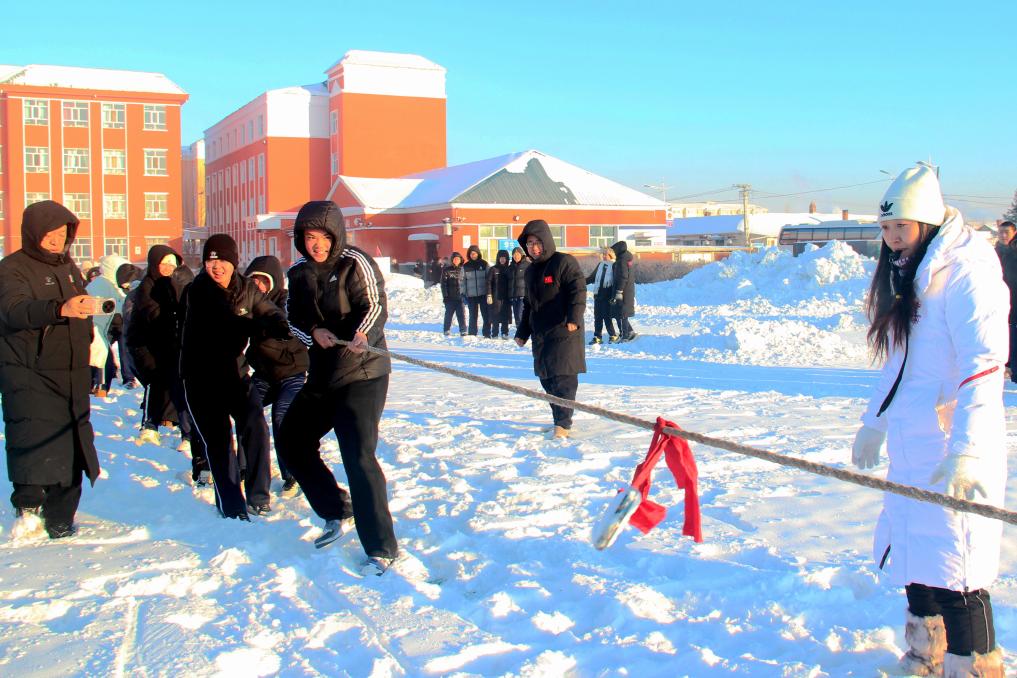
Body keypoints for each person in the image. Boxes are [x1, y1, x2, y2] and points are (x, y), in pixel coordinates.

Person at [851, 163, 1007, 675]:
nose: (893, 238)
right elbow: (898, 361)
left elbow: (984, 366)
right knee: (915, 556)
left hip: (949, 444)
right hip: (911, 441)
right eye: (886, 228)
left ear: (928, 222)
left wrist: (968, 450)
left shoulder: (967, 270)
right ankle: (925, 654)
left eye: (902, 227)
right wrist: (874, 422)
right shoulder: (911, 274)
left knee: (958, 566)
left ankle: (974, 667)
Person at [279, 200, 399, 576]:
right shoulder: (298, 273)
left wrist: (363, 333)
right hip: (323, 375)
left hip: (363, 373)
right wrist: (314, 332)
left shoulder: (354, 262)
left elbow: (375, 303)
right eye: (309, 237)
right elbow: (293, 318)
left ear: (336, 235)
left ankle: (380, 547)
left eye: (323, 236)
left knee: (357, 453)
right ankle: (336, 507)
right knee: (292, 440)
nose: (316, 244)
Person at [0, 200, 101, 538]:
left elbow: (79, 308)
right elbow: (14, 309)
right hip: (30, 371)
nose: (58, 240)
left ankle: (61, 518)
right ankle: (28, 511)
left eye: (63, 233)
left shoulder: (69, 268)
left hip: (71, 371)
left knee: (72, 444)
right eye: (50, 234)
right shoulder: (12, 268)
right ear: (33, 233)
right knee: (33, 439)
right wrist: (59, 308)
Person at [181, 234, 289, 519]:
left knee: (255, 426)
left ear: (233, 262)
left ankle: (258, 496)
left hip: (234, 374)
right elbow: (224, 324)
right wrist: (259, 326)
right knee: (219, 442)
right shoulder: (197, 291)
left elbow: (268, 309)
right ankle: (232, 506)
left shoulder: (246, 288)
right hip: (201, 378)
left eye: (222, 261)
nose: (216, 267)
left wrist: (278, 322)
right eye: (210, 261)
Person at [514, 219, 586, 439]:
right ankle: (558, 420)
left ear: (546, 241)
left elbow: (578, 290)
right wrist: (522, 332)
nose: (534, 248)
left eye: (537, 242)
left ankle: (563, 424)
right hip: (542, 334)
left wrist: (574, 317)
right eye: (529, 243)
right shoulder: (530, 271)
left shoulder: (564, 262)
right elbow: (528, 304)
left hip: (564, 331)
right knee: (547, 379)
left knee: (563, 379)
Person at [243, 255, 309, 495]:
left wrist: (268, 323)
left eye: (263, 281)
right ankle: (244, 468)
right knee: (246, 411)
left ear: (273, 282)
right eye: (253, 280)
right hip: (263, 374)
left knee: (282, 417)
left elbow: (287, 326)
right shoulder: (246, 304)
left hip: (292, 373)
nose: (258, 285)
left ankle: (292, 475)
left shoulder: (287, 302)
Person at [126, 245, 188, 447]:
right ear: (155, 264)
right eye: (164, 264)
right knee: (156, 380)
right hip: (145, 344)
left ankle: (181, 427)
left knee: (176, 383)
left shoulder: (172, 284)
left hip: (167, 343)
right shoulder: (147, 286)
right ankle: (149, 425)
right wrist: (175, 321)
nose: (169, 268)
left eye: (172, 265)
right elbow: (153, 315)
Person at [86, 254, 130, 397]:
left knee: (115, 357)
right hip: (100, 327)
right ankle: (99, 387)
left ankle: (103, 386)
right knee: (102, 358)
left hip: (116, 325)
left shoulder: (114, 284)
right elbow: (104, 306)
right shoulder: (100, 285)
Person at [111, 263, 143, 390]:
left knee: (127, 350)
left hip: (133, 327)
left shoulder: (135, 291)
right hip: (133, 326)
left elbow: (129, 313)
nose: (125, 288)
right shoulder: (139, 287)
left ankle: (130, 377)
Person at [610, 240, 637, 342]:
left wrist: (619, 291)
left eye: (614, 251)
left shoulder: (622, 261)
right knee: (620, 313)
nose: (613, 253)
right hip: (627, 290)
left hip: (623, 292)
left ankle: (625, 336)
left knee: (622, 313)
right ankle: (630, 331)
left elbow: (623, 277)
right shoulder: (626, 259)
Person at [462, 245, 490, 337]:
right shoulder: (465, 266)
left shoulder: (484, 264)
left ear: (478, 254)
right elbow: (462, 281)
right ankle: (472, 333)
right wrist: (463, 293)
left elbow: (490, 278)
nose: (473, 255)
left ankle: (486, 333)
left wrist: (489, 292)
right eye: (471, 253)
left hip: (483, 294)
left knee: (486, 315)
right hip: (471, 295)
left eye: (474, 253)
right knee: (473, 316)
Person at [486, 249, 511, 339]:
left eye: (504, 258)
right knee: (495, 314)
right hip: (495, 295)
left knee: (505, 314)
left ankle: (505, 332)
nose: (502, 260)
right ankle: (495, 333)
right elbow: (488, 282)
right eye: (501, 258)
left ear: (507, 259)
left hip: (506, 296)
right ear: (498, 258)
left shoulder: (509, 269)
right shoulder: (493, 269)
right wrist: (489, 294)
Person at [440, 252, 466, 336]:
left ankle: (463, 330)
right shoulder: (446, 270)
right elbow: (443, 284)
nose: (456, 260)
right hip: (450, 297)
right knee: (448, 314)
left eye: (458, 259)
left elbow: (466, 283)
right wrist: (445, 296)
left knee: (461, 314)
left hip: (460, 297)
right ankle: (446, 329)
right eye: (455, 259)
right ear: (452, 260)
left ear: (460, 260)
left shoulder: (463, 269)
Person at [507, 246, 529, 328]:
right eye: (514, 255)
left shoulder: (527, 265)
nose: (516, 256)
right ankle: (519, 330)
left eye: (518, 254)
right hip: (513, 296)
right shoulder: (510, 267)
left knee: (520, 315)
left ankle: (522, 331)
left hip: (523, 295)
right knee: (516, 316)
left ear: (521, 255)